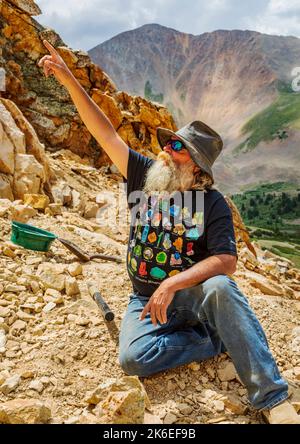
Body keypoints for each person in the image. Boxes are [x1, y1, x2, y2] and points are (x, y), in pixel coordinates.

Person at [38, 41, 299, 424]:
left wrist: (173, 283)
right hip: (144, 299)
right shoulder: (145, 176)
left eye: (177, 148)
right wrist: (68, 78)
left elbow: (227, 260)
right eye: (169, 142)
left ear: (197, 169)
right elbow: (104, 132)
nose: (165, 149)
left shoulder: (212, 204)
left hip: (191, 297)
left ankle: (272, 396)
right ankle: (217, 339)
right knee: (132, 359)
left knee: (221, 287)